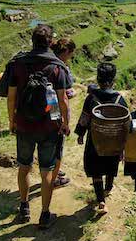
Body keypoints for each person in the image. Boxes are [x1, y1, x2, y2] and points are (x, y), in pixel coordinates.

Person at [7, 24, 72, 229]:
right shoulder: (57, 67)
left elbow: (11, 97)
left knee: (24, 167)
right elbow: (63, 101)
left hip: (24, 124)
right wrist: (65, 123)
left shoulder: (18, 64)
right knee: (47, 171)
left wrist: (12, 121)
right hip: (49, 127)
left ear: (32, 41)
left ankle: (24, 207)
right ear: (51, 42)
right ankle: (44, 215)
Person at [74, 62, 128, 215]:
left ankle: (101, 202)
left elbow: (84, 119)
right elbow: (127, 126)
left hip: (95, 143)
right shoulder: (120, 100)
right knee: (111, 166)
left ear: (97, 79)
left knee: (96, 171)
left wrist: (80, 134)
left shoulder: (91, 98)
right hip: (114, 143)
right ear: (113, 80)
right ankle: (108, 188)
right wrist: (123, 145)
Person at [49, 38, 77, 189]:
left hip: (44, 108)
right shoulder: (60, 68)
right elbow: (64, 96)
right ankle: (53, 179)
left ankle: (54, 169)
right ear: (66, 52)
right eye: (71, 54)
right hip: (55, 110)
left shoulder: (46, 62)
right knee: (58, 142)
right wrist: (66, 122)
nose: (70, 57)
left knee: (49, 142)